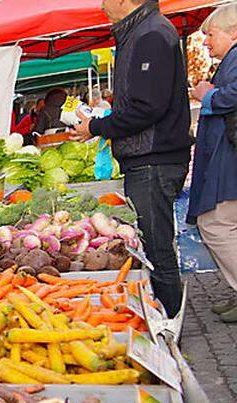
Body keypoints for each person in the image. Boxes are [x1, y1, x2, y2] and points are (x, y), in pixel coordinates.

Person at [70, 0, 192, 317]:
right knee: (156, 243)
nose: (101, 4)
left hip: (153, 159)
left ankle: (169, 324)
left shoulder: (150, 34)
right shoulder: (141, 32)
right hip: (148, 157)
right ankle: (165, 317)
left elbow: (147, 107)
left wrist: (97, 126)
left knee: (157, 246)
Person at [189, 2, 237, 321]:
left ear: (234, 32)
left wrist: (206, 95)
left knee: (216, 225)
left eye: (211, 33)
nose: (205, 41)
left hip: (229, 158)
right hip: (225, 154)